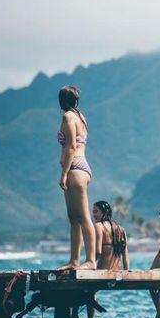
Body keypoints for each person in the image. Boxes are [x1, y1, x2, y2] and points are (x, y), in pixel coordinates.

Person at [56, 85, 96, 270]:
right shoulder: (81, 117)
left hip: (75, 168)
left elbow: (71, 146)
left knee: (83, 217)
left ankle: (90, 260)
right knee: (74, 218)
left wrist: (63, 174)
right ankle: (74, 260)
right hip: (81, 167)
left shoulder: (68, 117)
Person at [85, 200, 129, 318]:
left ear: (104, 212)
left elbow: (98, 251)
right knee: (89, 293)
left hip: (103, 272)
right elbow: (125, 253)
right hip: (117, 271)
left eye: (96, 211)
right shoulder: (121, 229)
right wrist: (127, 272)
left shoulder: (98, 226)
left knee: (87, 291)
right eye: (93, 212)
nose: (94, 215)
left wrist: (90, 264)